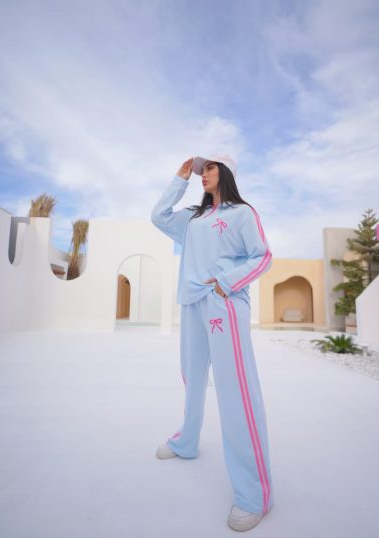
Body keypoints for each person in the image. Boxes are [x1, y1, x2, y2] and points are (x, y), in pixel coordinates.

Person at [150, 154, 274, 532]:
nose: (203, 174)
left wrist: (227, 282)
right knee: (191, 378)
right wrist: (179, 179)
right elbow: (158, 216)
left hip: (223, 303)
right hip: (191, 303)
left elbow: (262, 257)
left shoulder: (242, 213)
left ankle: (254, 494)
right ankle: (186, 441)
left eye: (209, 167)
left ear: (226, 171)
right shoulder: (193, 218)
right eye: (200, 169)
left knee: (234, 392)